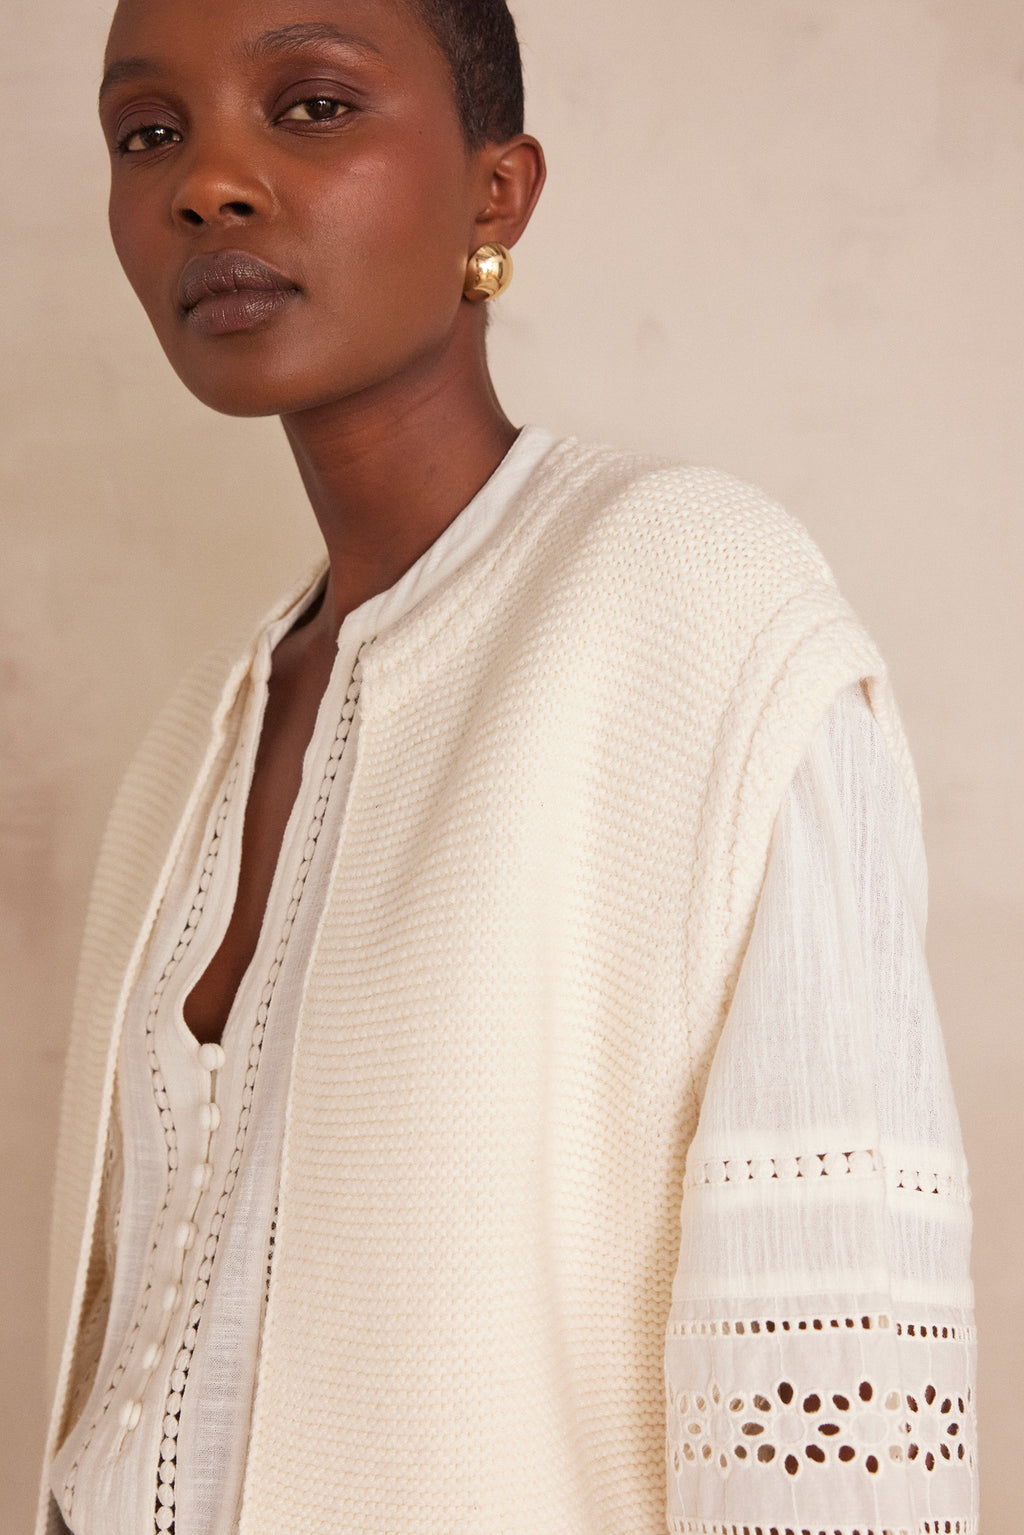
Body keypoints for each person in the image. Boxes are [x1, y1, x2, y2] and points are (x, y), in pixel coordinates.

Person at [37, 0, 977, 1531]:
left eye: (312, 104)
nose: (206, 183)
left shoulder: (696, 604)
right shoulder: (190, 738)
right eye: (149, 133)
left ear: (498, 190)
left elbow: (827, 1356)